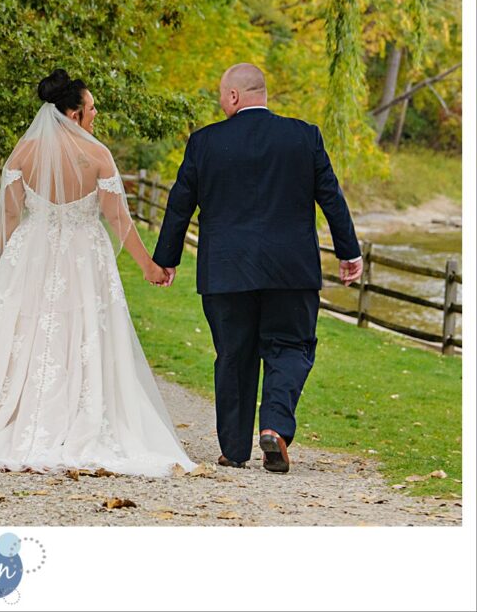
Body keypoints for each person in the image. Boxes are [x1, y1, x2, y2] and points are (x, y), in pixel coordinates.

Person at [0, 69, 198, 477]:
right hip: (84, 258)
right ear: (72, 114)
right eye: (91, 110)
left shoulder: (23, 155)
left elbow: (11, 218)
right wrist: (150, 268)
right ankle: (75, 422)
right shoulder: (99, 156)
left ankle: (16, 419)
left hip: (31, 257)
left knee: (26, 335)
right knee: (79, 334)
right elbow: (118, 220)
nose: (95, 116)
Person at [152, 63, 362, 473]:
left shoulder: (204, 142)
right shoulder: (304, 137)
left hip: (226, 271)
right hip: (291, 270)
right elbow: (331, 198)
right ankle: (276, 429)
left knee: (233, 354)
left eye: (220, 93)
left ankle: (233, 449)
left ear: (233, 97)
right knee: (290, 346)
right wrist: (348, 251)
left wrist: (166, 260)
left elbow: (180, 204)